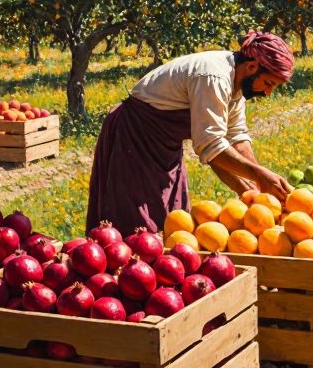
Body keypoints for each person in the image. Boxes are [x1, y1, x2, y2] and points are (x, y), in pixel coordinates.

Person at [86, 31, 295, 232]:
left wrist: (255, 192)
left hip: (165, 145)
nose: (268, 93)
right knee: (137, 225)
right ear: (251, 66)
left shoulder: (237, 85)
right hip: (135, 138)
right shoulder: (214, 77)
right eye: (268, 83)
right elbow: (212, 147)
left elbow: (236, 137)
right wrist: (258, 176)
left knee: (173, 222)